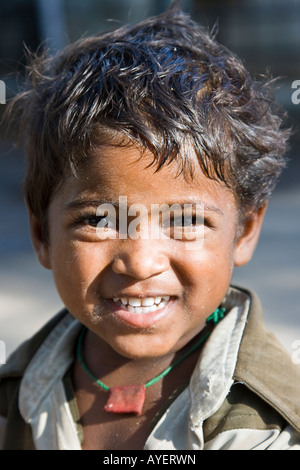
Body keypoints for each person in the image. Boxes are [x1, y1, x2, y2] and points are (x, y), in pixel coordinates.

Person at [1, 3, 299, 450]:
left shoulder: (271, 424)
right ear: (42, 234)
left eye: (186, 220)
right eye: (98, 219)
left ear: (245, 231)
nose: (140, 262)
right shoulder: (14, 397)